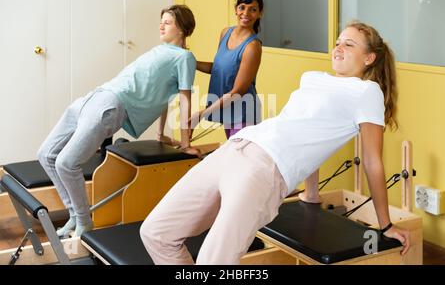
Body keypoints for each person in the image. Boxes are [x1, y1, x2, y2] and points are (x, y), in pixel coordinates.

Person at [139, 21, 410, 265]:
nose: (338, 48)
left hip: (264, 170)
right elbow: (305, 129)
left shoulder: (367, 92)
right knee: (155, 233)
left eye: (349, 44)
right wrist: (311, 194)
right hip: (235, 148)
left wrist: (385, 225)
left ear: (369, 58)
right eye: (338, 42)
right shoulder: (312, 78)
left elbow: (373, 161)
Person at [37, 5, 200, 237]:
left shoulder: (184, 57)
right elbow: (165, 96)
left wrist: (185, 142)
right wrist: (159, 133)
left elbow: (183, 99)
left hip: (110, 104)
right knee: (46, 155)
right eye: (161, 20)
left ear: (183, 29)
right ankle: (75, 216)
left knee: (66, 163)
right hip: (91, 98)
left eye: (168, 22)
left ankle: (84, 223)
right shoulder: (160, 50)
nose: (161, 25)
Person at [190, 0, 264, 139]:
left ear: (259, 14)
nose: (246, 13)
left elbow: (238, 91)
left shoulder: (252, 47)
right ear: (236, 9)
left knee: (240, 159)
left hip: (243, 112)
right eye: (242, 7)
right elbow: (218, 69)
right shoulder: (225, 33)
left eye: (253, 9)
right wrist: (192, 62)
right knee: (234, 155)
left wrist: (202, 114)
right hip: (226, 108)